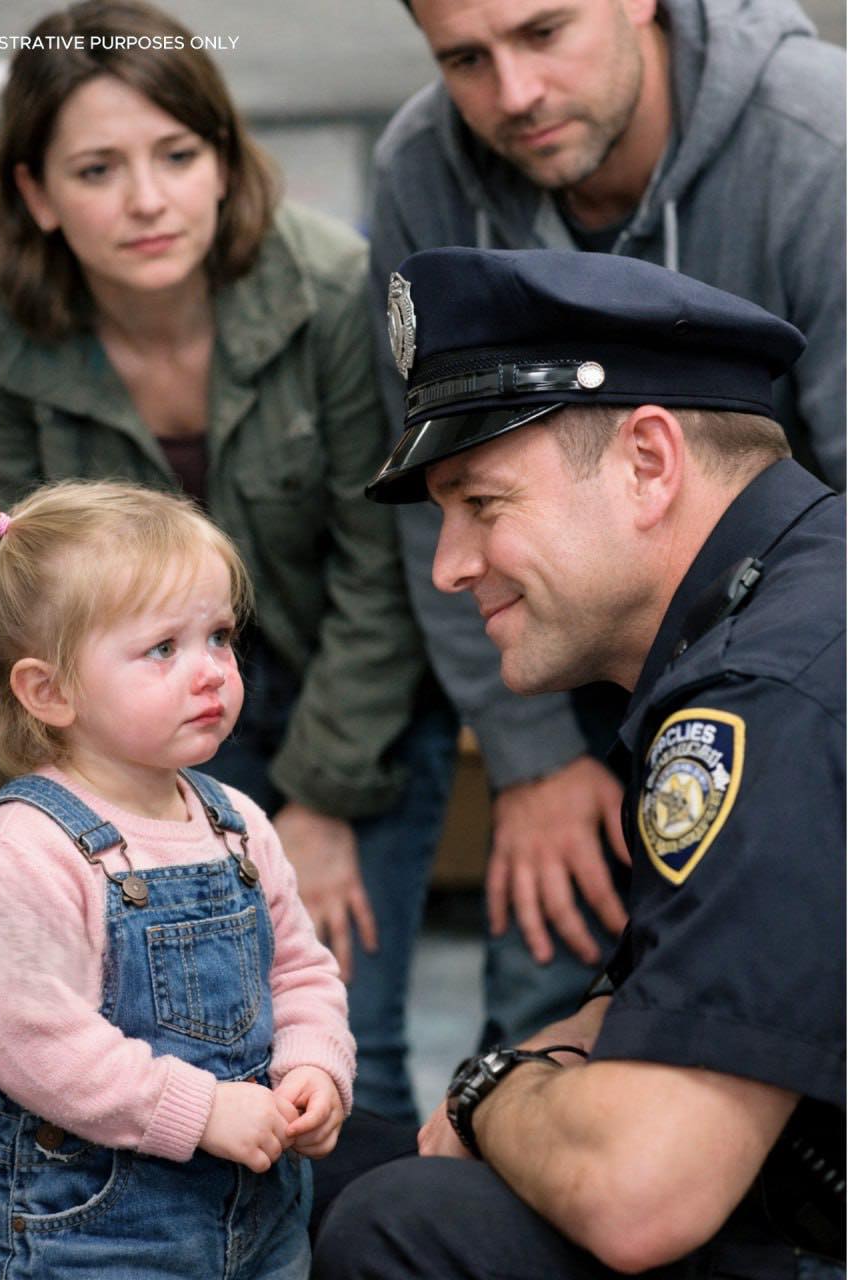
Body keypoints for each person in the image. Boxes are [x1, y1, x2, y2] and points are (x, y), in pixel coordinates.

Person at [0, 0, 455, 1123]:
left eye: (177, 153)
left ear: (223, 160)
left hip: (347, 704)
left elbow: (384, 560)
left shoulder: (330, 288)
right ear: (36, 194)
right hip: (121, 729)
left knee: (344, 1041)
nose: (146, 198)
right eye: (96, 167)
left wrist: (319, 798)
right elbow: (24, 595)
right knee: (149, 1045)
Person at [312, 249, 845, 1278]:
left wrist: (486, 1085)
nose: (448, 564)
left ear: (650, 463)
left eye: (484, 501)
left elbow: (640, 1188)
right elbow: (666, 987)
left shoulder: (769, 693)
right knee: (325, 1162)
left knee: (403, 1219)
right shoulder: (785, 609)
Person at [370, 0, 846, 1045]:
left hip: (796, 646)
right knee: (538, 1005)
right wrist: (530, 756)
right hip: (556, 651)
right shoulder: (420, 164)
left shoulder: (821, 139)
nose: (514, 94)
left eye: (543, 33)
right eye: (464, 58)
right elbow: (442, 505)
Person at [0, 479, 356, 1279]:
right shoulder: (26, 848)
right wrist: (200, 1111)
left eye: (220, 636)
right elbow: (35, 1043)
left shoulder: (238, 824)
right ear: (48, 691)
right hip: (85, 1235)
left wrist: (314, 1062)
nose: (212, 673)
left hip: (259, 1220)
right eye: (164, 649)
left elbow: (298, 970)